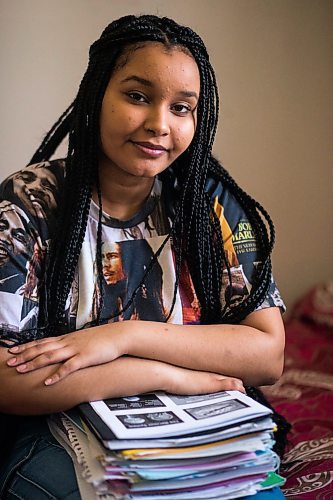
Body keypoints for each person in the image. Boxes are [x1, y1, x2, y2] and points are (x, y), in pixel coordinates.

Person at [0, 14, 288, 499]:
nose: (159, 124)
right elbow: (7, 382)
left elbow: (267, 354)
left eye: (181, 108)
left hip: (197, 428)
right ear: (98, 96)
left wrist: (122, 337)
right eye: (137, 96)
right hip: (62, 427)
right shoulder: (29, 202)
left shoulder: (211, 204)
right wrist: (164, 373)